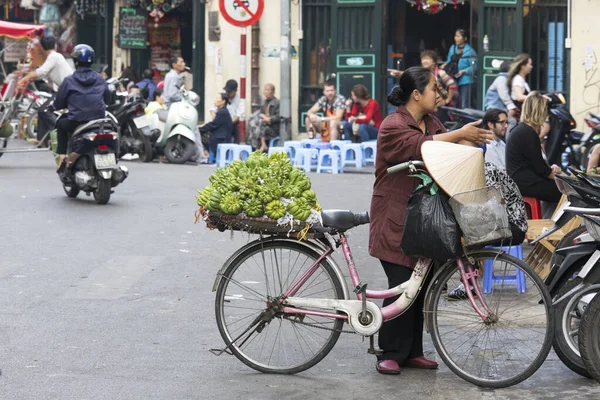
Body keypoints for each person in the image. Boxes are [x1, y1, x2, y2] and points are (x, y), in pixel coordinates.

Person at [369, 67, 493, 375]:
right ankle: (391, 352)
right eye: (435, 89)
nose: (439, 94)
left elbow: (444, 147)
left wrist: (471, 143)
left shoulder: (432, 122)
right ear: (416, 94)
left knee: (421, 285)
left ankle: (412, 351)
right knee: (401, 285)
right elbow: (423, 146)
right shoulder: (394, 124)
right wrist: (460, 133)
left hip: (426, 217)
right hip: (395, 217)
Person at [53, 44, 109, 173]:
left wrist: (55, 107)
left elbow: (59, 102)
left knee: (61, 125)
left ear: (75, 61)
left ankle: (62, 158)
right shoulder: (100, 78)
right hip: (98, 120)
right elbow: (107, 97)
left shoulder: (69, 80)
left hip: (77, 121)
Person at [506, 91, 562, 216]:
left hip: (523, 180)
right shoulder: (528, 132)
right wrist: (564, 179)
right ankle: (553, 226)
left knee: (557, 188)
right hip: (524, 182)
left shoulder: (523, 130)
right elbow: (541, 169)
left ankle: (549, 222)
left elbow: (537, 164)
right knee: (565, 191)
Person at [18, 35, 73, 144]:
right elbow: (42, 75)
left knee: (45, 109)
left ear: (41, 48)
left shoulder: (54, 57)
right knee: (42, 109)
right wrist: (26, 75)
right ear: (55, 46)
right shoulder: (54, 57)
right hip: (65, 91)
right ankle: (42, 139)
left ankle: (60, 135)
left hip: (67, 92)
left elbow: (41, 72)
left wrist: (25, 78)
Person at [442, 29, 477, 109]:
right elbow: (449, 60)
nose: (456, 38)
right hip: (452, 79)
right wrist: (444, 65)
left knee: (464, 102)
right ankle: (453, 119)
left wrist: (464, 71)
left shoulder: (470, 51)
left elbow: (474, 67)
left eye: (458, 36)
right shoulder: (453, 48)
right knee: (453, 101)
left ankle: (464, 120)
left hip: (465, 80)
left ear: (465, 38)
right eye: (455, 36)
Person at [200, 93, 233, 162]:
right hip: (221, 135)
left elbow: (213, 124)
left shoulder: (222, 112)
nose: (215, 100)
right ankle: (207, 153)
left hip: (222, 138)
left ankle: (208, 153)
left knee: (200, 135)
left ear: (223, 101)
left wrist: (199, 129)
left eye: (217, 98)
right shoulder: (222, 111)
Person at [248, 83, 280, 152]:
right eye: (265, 90)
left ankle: (263, 145)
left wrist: (269, 119)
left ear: (273, 92)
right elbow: (261, 114)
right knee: (253, 124)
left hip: (273, 129)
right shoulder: (263, 103)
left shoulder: (277, 103)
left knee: (260, 123)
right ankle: (255, 148)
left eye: (268, 90)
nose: (266, 92)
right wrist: (264, 117)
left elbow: (278, 117)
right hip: (263, 127)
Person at [507, 54, 533, 120]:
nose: (531, 67)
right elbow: (519, 97)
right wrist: (536, 98)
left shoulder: (522, 80)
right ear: (522, 66)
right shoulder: (518, 79)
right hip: (519, 116)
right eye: (529, 64)